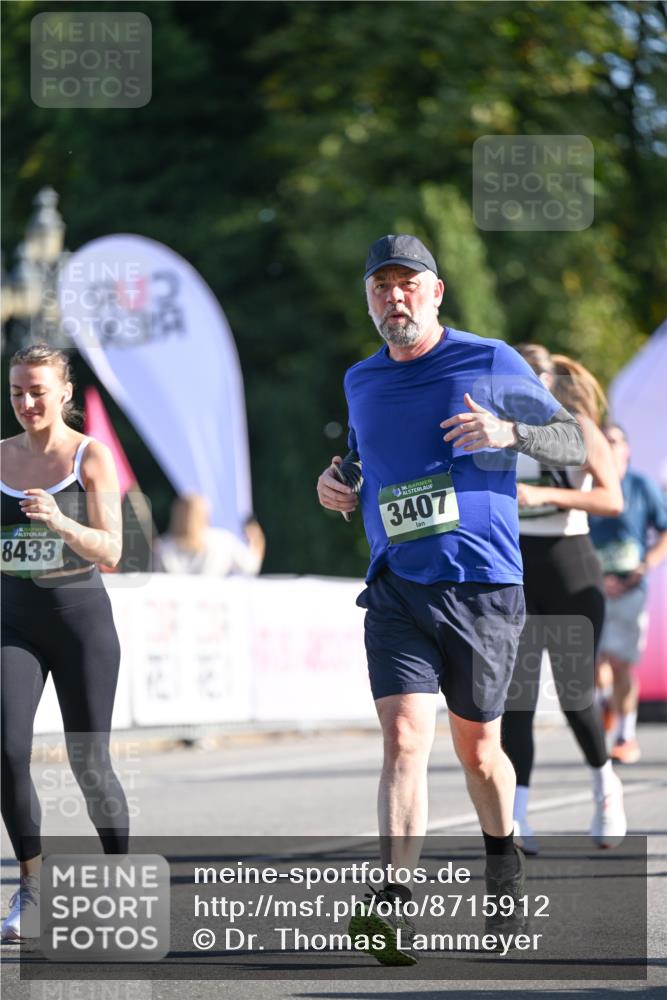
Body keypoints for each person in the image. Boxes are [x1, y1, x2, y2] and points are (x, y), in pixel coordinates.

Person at [316, 233, 586, 965]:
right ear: (369, 297)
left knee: (479, 751)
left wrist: (509, 431)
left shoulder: (488, 358)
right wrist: (335, 483)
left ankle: (502, 861)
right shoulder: (361, 379)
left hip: (482, 587)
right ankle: (393, 902)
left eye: (408, 285)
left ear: (436, 293)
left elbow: (571, 443)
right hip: (397, 585)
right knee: (404, 740)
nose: (393, 298)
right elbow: (367, 461)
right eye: (381, 287)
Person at [1, 344, 129, 942]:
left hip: (81, 623)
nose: (27, 403)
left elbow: (112, 549)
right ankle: (31, 885)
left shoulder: (90, 456)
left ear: (64, 393)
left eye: (38, 391)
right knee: (6, 751)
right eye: (17, 392)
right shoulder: (0, 457)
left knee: (89, 763)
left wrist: (60, 521)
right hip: (14, 624)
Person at [500, 346, 626, 855]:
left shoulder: (578, 427)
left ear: (551, 379)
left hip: (570, 564)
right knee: (516, 697)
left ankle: (605, 787)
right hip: (513, 569)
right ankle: (518, 814)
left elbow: (611, 500)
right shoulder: (496, 430)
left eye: (534, 375)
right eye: (513, 375)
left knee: (576, 693)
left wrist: (546, 496)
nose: (525, 383)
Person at [590, 422, 667, 764]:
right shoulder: (585, 484)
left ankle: (625, 735)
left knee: (621, 662)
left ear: (627, 449)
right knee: (593, 663)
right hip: (590, 586)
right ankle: (605, 702)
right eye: (603, 440)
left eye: (615, 440)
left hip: (630, 588)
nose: (609, 445)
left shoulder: (640, 486)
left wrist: (644, 566)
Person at [153, 494, 265, 576]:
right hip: (211, 605)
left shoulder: (162, 546)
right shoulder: (223, 541)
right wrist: (257, 539)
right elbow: (251, 566)